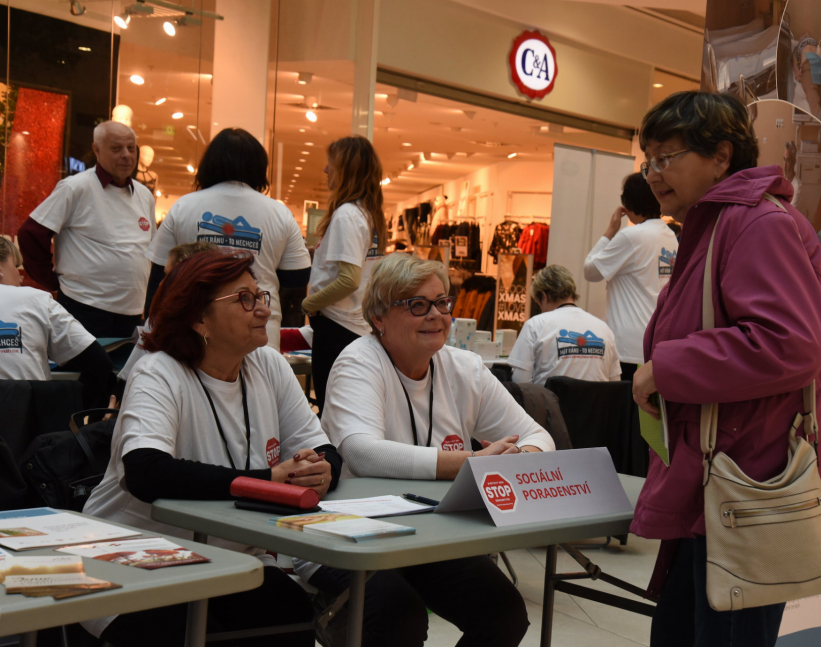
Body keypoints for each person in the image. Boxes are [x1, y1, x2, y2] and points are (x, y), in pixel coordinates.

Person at [629, 91, 821, 647]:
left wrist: (664, 369)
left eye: (666, 156)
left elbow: (789, 342)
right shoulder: (718, 226)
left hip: (748, 486)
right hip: (725, 480)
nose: (653, 173)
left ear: (721, 156)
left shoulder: (755, 225)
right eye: (648, 159)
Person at [82, 251, 340, 647]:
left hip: (234, 556)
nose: (264, 311)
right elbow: (146, 471)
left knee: (289, 616)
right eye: (245, 299)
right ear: (199, 317)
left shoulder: (268, 365)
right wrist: (269, 480)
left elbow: (323, 449)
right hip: (136, 554)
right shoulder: (159, 371)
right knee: (195, 632)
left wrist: (322, 470)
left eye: (261, 296)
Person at [297, 252, 555, 647]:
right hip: (350, 532)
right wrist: (471, 463)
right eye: (417, 305)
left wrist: (512, 460)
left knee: (503, 613)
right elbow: (362, 453)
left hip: (428, 533)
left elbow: (539, 436)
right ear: (379, 318)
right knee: (397, 615)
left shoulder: (464, 367)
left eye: (441, 302)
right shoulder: (359, 361)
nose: (435, 314)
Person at [145, 128, 311, 350]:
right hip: (258, 324)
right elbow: (298, 277)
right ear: (260, 167)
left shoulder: (183, 206)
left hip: (193, 324)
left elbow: (159, 274)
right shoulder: (279, 213)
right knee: (256, 382)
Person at [17, 121, 155, 338]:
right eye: (116, 148)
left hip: (132, 311)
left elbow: (147, 252)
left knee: (122, 372)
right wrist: (53, 282)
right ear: (97, 150)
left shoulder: (144, 195)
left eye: (131, 148)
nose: (127, 155)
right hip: (83, 307)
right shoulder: (75, 187)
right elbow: (30, 235)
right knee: (84, 372)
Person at [302, 136, 386, 407]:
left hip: (336, 325)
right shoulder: (367, 214)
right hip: (354, 325)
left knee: (331, 408)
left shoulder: (348, 215)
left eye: (331, 164)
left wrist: (309, 304)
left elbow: (348, 280)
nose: (326, 170)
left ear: (346, 169)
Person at [583, 173, 678, 382]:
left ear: (628, 203)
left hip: (628, 344)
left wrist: (611, 230)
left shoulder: (631, 236)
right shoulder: (670, 235)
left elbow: (590, 271)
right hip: (658, 337)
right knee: (648, 412)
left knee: (628, 409)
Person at [0, 237, 114, 409]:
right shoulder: (36, 300)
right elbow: (99, 364)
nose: (20, 276)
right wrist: (68, 421)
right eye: (15, 266)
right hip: (27, 425)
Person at [118, 241, 219, 383]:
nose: (161, 284)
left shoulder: (162, 320)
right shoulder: (157, 319)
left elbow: (129, 378)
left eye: (168, 276)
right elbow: (129, 376)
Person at [508, 265, 620, 386]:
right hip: (598, 404)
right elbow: (615, 383)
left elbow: (521, 383)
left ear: (543, 296)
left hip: (550, 404)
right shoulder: (604, 329)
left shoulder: (535, 325)